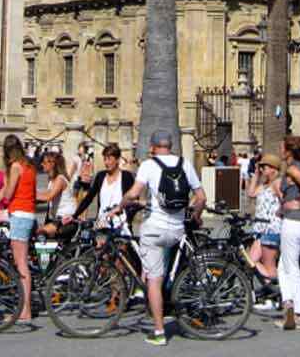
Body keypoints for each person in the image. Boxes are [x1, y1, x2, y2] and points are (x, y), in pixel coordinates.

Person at [118, 129, 206, 346]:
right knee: (167, 271)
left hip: (154, 229)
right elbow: (201, 197)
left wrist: (120, 205)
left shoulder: (149, 165)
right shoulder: (184, 163)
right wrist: (195, 216)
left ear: (152, 146)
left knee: (154, 280)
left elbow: (133, 193)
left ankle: (159, 331)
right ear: (171, 145)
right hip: (177, 229)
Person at [0, 134, 35, 322]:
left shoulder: (15, 166)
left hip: (19, 214)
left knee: (21, 264)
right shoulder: (29, 165)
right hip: (25, 213)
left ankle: (25, 311)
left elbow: (9, 192)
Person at [275, 137, 300, 330]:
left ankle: (297, 314)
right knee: (283, 268)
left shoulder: (292, 169)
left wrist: (299, 202)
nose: (279, 150)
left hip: (294, 222)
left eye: (281, 147)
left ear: (288, 151)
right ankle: (288, 305)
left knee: (291, 269)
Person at [73, 142, 136, 234]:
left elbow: (133, 201)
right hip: (102, 224)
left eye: (109, 159)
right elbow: (89, 197)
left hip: (121, 226)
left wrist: (128, 219)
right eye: (105, 159)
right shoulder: (100, 176)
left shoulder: (126, 176)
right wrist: (74, 215)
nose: (106, 162)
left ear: (118, 160)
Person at [246, 151, 281, 296]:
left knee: (269, 266)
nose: (262, 169)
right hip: (261, 229)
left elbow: (285, 199)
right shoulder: (266, 185)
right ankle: (271, 289)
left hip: (271, 228)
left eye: (264, 167)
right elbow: (251, 193)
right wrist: (256, 174)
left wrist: (279, 211)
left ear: (273, 168)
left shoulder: (277, 183)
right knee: (250, 260)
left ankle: (277, 293)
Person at [39, 151, 78, 237]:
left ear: (53, 164)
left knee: (39, 233)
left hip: (66, 220)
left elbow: (48, 197)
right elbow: (44, 195)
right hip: (57, 218)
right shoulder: (52, 180)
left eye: (44, 162)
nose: (42, 164)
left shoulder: (60, 179)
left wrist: (28, 195)